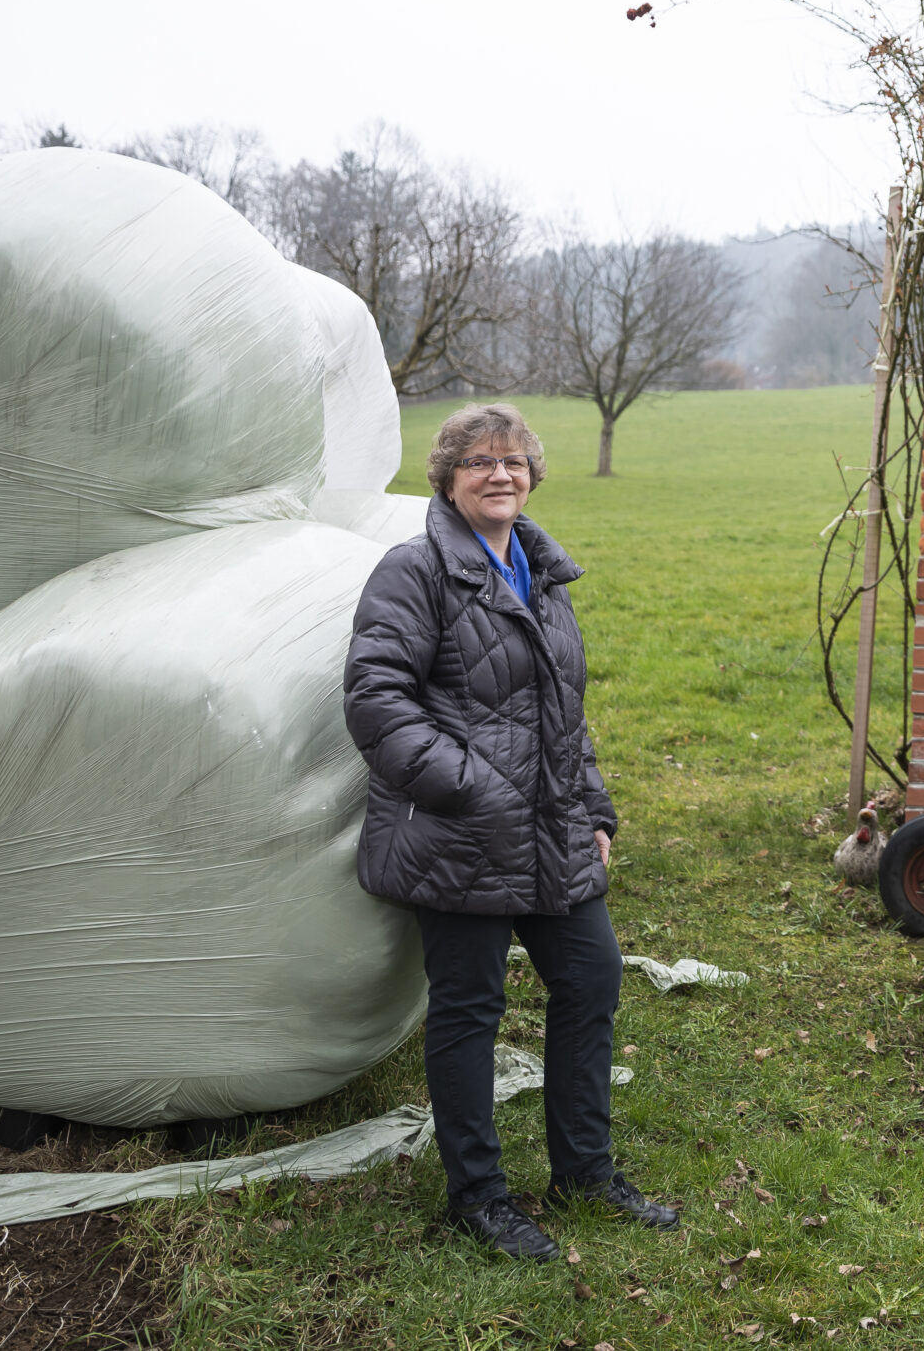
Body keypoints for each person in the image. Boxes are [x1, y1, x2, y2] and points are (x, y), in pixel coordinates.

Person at [344, 402, 676, 1261]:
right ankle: (479, 1196)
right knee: (470, 1008)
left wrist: (595, 809)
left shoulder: (541, 570)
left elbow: (564, 714)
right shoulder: (413, 571)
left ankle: (586, 1174)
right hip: (459, 834)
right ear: (449, 479)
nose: (502, 473)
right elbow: (376, 700)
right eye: (481, 460)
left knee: (592, 978)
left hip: (552, 830)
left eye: (515, 459)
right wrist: (474, 790)